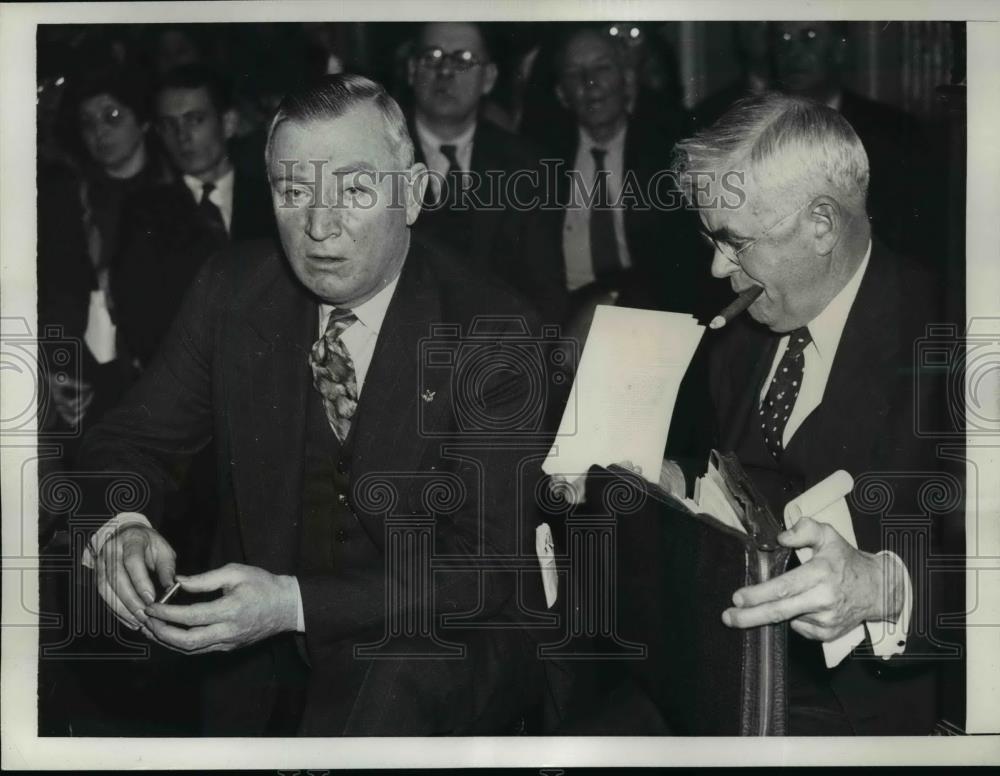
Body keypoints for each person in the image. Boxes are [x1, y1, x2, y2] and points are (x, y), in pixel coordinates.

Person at [78, 74, 556, 736]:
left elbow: (480, 567)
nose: (319, 227)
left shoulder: (494, 329)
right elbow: (128, 438)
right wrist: (121, 522)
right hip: (261, 661)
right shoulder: (233, 291)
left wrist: (290, 603)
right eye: (294, 192)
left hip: (437, 648)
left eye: (355, 190)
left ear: (412, 194)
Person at [666, 92, 957, 734]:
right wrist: (677, 483)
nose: (718, 267)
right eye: (709, 237)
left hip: (886, 711)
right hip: (743, 675)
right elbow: (749, 476)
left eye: (733, 242)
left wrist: (884, 589)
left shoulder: (957, 339)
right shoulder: (743, 335)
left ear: (822, 224)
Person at [547, 24, 723, 325]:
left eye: (602, 68)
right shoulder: (541, 160)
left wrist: (616, 300)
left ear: (627, 81)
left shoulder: (669, 152)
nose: (590, 83)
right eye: (575, 73)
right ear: (561, 93)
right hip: (565, 319)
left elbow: (683, 260)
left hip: (650, 311)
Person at [112, 63, 275, 368]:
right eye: (169, 125)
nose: (182, 136)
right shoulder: (144, 213)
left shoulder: (273, 200)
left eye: (194, 120)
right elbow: (140, 323)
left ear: (228, 123)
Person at [406, 21, 566, 320]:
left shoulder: (528, 166)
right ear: (412, 70)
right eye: (432, 57)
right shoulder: (378, 160)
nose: (445, 72)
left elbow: (545, 293)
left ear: (489, 78)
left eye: (464, 60)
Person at [769, 21, 939, 265]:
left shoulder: (895, 131)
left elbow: (918, 235)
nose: (793, 51)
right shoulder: (761, 132)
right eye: (783, 38)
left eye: (810, 36)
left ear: (839, 49)